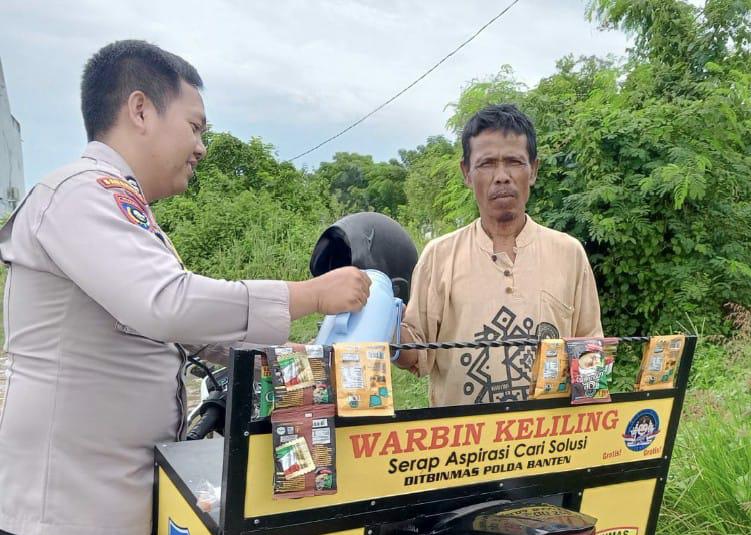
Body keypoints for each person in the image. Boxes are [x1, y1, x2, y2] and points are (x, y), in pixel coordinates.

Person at [0, 40, 371, 535]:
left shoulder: (123, 210)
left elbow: (186, 333)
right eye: (195, 127)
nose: (201, 147)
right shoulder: (80, 191)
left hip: (108, 501)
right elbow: (168, 304)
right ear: (140, 110)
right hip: (66, 511)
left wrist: (304, 361)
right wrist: (311, 295)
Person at [395, 104, 603, 407]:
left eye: (515, 162)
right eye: (487, 164)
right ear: (467, 173)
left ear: (534, 170)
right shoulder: (439, 256)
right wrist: (383, 322)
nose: (502, 176)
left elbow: (590, 351)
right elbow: (415, 353)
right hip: (463, 436)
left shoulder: (569, 253)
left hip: (550, 436)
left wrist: (592, 418)